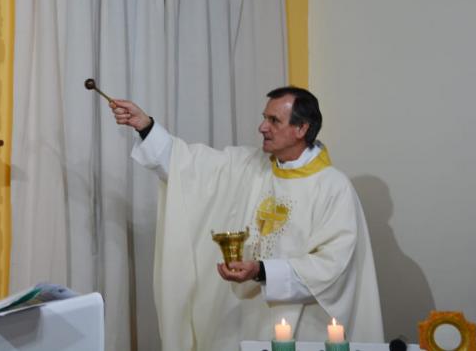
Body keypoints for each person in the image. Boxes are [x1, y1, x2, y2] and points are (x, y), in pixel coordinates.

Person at [110, 87, 383, 351]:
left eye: (274, 120)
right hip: (243, 320)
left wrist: (262, 271)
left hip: (304, 326)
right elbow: (188, 167)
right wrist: (145, 126)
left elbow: (332, 266)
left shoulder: (333, 188)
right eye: (264, 118)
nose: (262, 127)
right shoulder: (249, 167)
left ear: (301, 129)